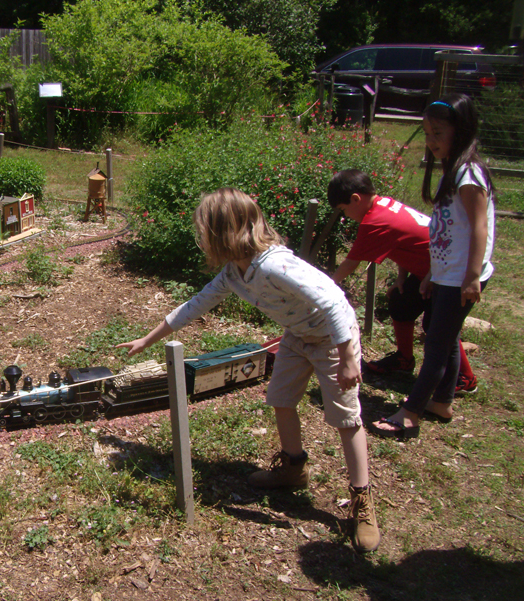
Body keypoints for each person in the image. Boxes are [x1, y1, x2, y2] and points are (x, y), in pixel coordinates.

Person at [117, 188, 379, 553]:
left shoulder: (274, 265)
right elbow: (195, 305)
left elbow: (334, 299)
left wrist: (348, 357)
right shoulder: (234, 274)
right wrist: (147, 339)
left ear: (225, 232)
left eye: (205, 230)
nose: (202, 238)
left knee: (345, 418)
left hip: (334, 339)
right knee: (281, 399)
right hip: (298, 336)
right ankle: (293, 468)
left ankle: (361, 500)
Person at [369, 93, 496, 440]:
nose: (431, 141)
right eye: (427, 134)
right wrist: (432, 274)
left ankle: (410, 413)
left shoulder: (469, 175)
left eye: (438, 133)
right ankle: (441, 401)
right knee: (445, 336)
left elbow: (479, 229)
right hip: (448, 274)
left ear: (461, 130)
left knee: (437, 344)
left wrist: (471, 277)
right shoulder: (452, 172)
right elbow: (450, 233)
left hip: (462, 278)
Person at [327, 169, 478, 393]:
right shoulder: (385, 204)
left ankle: (465, 378)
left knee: (438, 327)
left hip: (449, 274)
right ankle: (404, 360)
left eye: (343, 210)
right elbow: (403, 243)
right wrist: (400, 277)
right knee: (401, 301)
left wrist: (327, 287)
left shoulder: (375, 221)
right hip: (428, 271)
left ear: (355, 199)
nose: (346, 215)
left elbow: (351, 263)